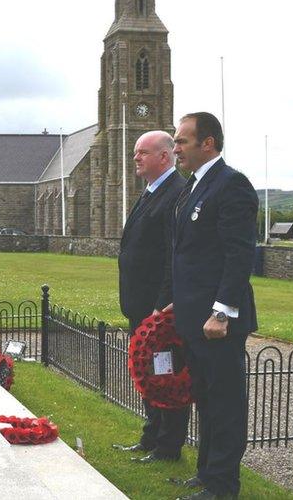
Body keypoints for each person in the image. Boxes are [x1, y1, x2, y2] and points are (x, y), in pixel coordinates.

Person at [165, 112, 259, 500]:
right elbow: (190, 254)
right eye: (174, 142)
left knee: (225, 405)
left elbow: (238, 255)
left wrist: (222, 311)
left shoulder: (231, 184)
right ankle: (206, 474)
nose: (176, 149)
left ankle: (223, 487)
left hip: (216, 322)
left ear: (208, 143)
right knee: (205, 400)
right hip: (193, 317)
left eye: (182, 141)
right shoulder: (193, 187)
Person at [113, 130, 190, 463]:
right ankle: (151, 436)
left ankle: (168, 445)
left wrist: (162, 305)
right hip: (139, 305)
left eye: (142, 152)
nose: (136, 158)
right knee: (147, 373)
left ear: (164, 156)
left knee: (165, 376)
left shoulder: (176, 193)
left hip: (158, 310)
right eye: (135, 153)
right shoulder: (149, 192)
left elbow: (175, 255)